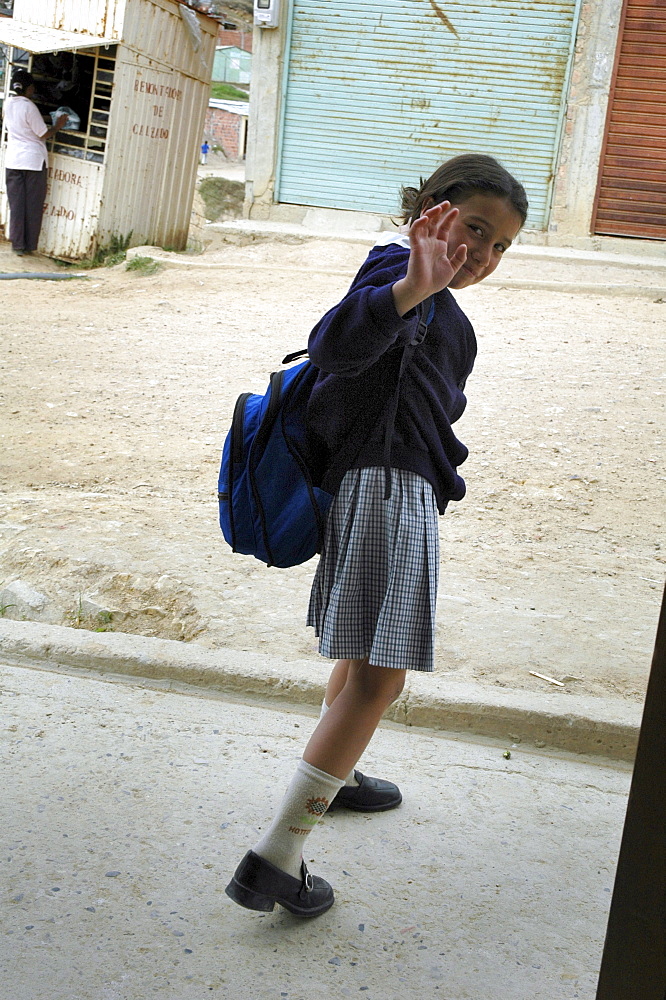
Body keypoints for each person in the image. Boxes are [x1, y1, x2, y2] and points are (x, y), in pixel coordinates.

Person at [225, 153, 529, 917]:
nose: (484, 256)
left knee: (363, 658)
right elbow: (334, 346)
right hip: (389, 487)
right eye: (476, 229)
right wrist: (407, 290)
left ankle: (342, 776)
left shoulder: (436, 305)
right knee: (380, 678)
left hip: (389, 488)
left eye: (501, 247)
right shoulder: (399, 276)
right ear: (431, 208)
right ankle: (276, 858)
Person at [3, 69, 68, 256]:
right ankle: (29, 245)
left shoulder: (8, 103)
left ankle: (18, 245)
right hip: (32, 162)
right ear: (30, 88)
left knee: (17, 205)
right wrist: (58, 125)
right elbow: (43, 133)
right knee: (32, 205)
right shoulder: (29, 106)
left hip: (13, 161)